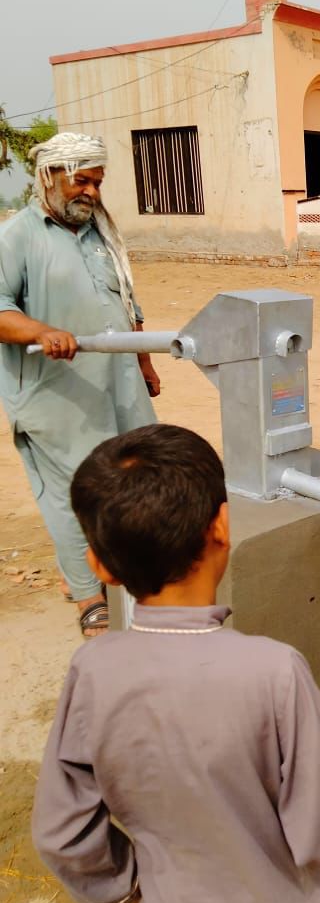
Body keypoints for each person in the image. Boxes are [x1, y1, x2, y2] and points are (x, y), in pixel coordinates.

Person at [32, 423, 320, 903]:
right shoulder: (276, 671)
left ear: (98, 566)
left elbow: (62, 831)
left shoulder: (91, 671)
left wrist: (129, 884)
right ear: (222, 527)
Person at [0, 133, 159, 636]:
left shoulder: (101, 236)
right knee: (76, 492)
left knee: (136, 477)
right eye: (81, 181)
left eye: (97, 182)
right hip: (55, 394)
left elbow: (128, 306)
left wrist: (146, 365)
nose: (91, 192)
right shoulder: (18, 235)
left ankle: (118, 570)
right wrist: (43, 331)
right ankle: (90, 598)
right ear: (49, 177)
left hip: (119, 385)